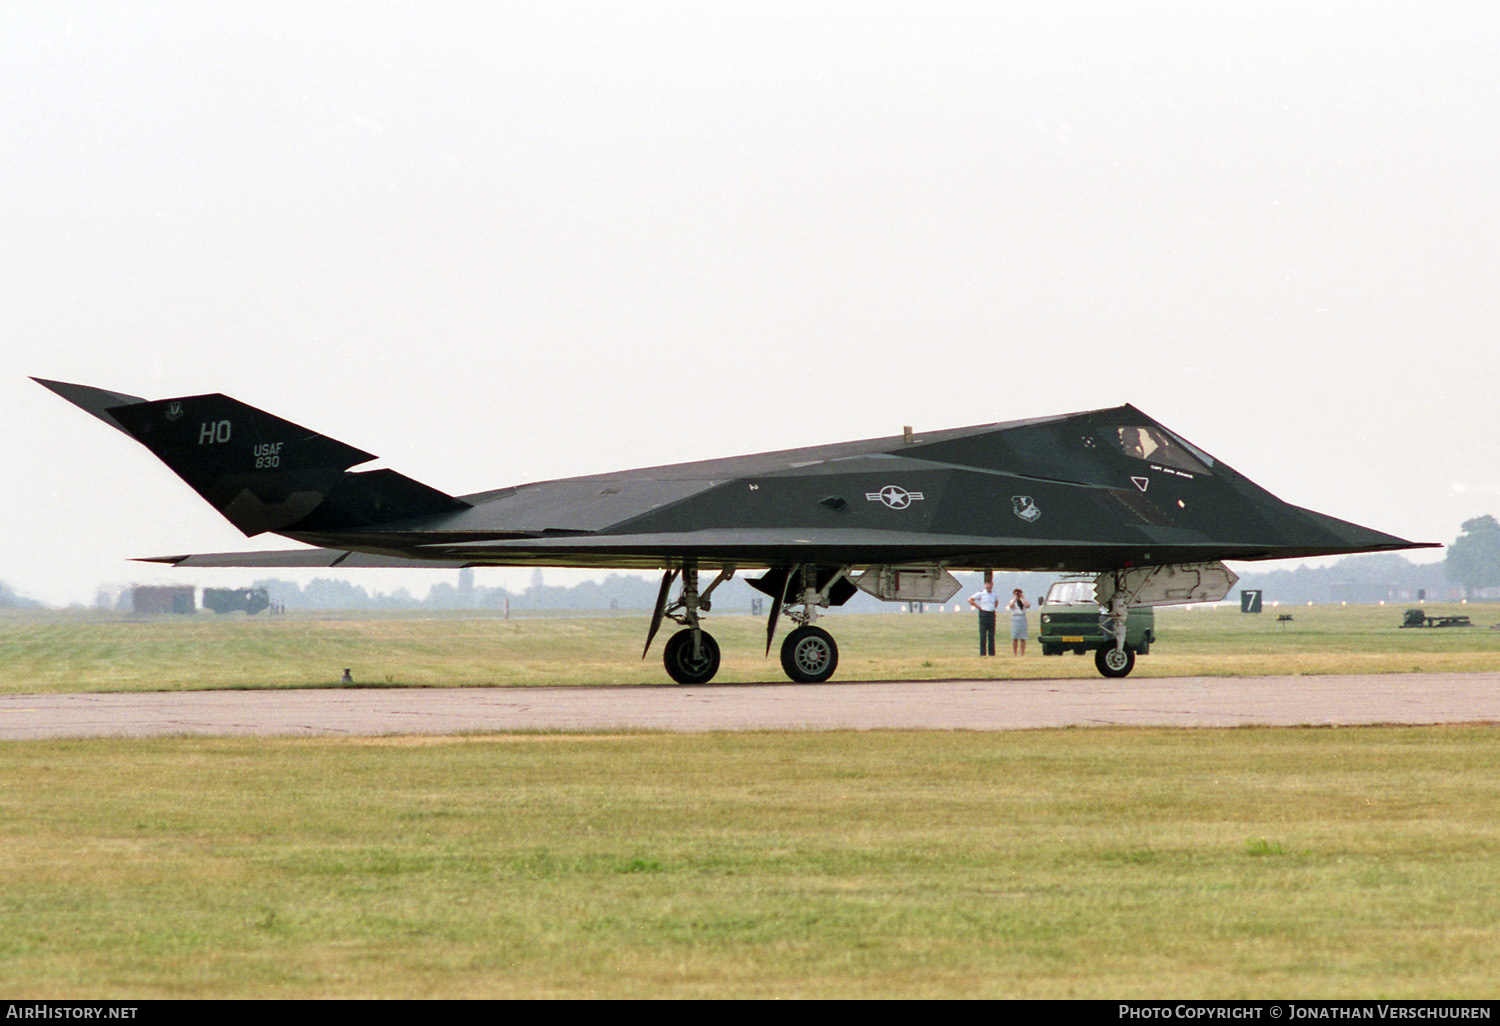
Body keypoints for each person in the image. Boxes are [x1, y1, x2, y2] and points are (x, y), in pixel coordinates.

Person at [968, 580, 1001, 655]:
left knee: (991, 635)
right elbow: (970, 600)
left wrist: (993, 608)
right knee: (983, 634)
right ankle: (983, 653)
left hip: (991, 614)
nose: (989, 586)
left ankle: (992, 653)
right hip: (984, 613)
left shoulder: (994, 595)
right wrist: (979, 607)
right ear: (985, 585)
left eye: (990, 585)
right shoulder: (981, 594)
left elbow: (996, 602)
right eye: (988, 585)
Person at [1007, 589, 1031, 655]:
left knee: (1023, 637)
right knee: (1015, 637)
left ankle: (1022, 653)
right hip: (1015, 617)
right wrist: (1015, 598)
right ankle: (1015, 653)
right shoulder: (1012, 601)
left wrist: (1022, 598)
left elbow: (1028, 605)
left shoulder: (1024, 601)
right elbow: (1011, 605)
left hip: (1022, 617)